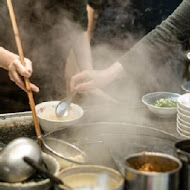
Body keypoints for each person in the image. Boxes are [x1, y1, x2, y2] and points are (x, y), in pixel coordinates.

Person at [71, 0, 190, 95]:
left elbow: (175, 28)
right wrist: (105, 74)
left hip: (166, 58)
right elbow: (171, 30)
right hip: (113, 44)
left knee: (161, 107)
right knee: (109, 110)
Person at [0, 0, 92, 113]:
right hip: (6, 87)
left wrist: (88, 73)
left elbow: (78, 29)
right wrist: (8, 60)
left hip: (53, 85)